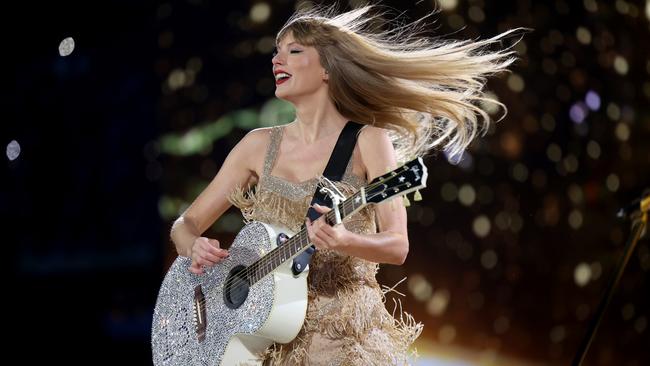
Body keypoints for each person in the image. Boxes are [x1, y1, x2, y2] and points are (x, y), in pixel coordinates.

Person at [170, 4, 523, 365]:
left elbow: (398, 245)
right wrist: (192, 245)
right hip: (261, 341)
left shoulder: (369, 141)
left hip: (340, 336)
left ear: (326, 69)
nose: (277, 60)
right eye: (276, 51)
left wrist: (345, 241)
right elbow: (185, 224)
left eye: (294, 51)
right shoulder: (256, 145)